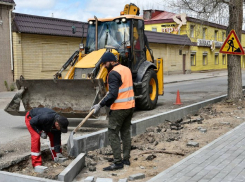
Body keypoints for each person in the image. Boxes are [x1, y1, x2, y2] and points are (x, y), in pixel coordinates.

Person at [91, 51, 135, 171]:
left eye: (105, 63)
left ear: (111, 61)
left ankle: (117, 162)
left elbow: (113, 94)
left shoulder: (113, 74)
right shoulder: (126, 69)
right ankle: (126, 159)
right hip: (130, 106)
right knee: (125, 133)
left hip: (119, 109)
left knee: (112, 133)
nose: (104, 66)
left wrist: (100, 105)